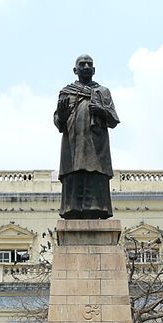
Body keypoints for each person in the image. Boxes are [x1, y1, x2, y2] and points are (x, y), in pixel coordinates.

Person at [54, 54, 120, 219]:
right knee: (75, 173)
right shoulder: (66, 93)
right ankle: (72, 209)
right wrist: (61, 115)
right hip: (73, 145)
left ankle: (98, 209)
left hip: (96, 145)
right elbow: (58, 122)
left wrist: (101, 111)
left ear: (94, 69)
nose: (85, 67)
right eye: (82, 64)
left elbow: (113, 120)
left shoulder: (103, 92)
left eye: (89, 64)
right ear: (75, 70)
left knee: (95, 173)